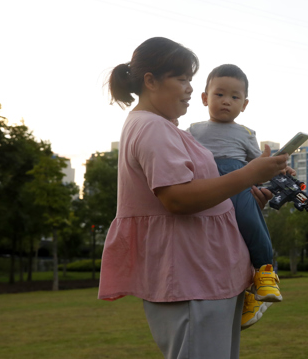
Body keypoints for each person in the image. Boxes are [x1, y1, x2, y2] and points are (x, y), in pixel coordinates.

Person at [97, 37, 289, 359]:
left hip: (208, 278)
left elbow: (204, 194)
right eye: (182, 78)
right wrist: (249, 174)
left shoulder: (167, 128)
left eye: (190, 79)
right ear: (151, 81)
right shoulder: (152, 127)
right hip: (191, 279)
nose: (189, 88)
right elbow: (178, 199)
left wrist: (243, 199)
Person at [187, 64, 282, 330]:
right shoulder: (192, 131)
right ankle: (247, 299)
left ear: (245, 104)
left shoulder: (245, 134)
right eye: (219, 95)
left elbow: (260, 167)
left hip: (238, 186)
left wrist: (278, 167)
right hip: (206, 190)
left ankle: (265, 272)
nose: (226, 101)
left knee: (251, 224)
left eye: (234, 97)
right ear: (205, 98)